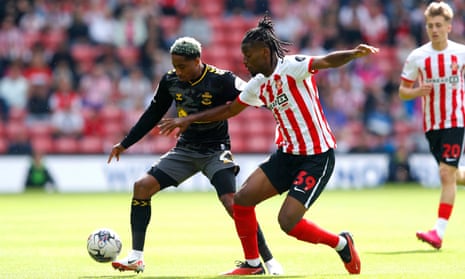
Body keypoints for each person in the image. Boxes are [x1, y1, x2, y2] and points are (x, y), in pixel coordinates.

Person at [159, 14, 378, 275]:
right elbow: (230, 110)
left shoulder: (293, 66)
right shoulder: (257, 85)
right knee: (241, 200)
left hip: (316, 156)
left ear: (264, 52)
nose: (245, 62)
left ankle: (342, 243)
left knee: (287, 222)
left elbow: (326, 60)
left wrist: (353, 54)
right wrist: (190, 119)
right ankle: (253, 264)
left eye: (248, 56)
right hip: (286, 155)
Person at [107, 37, 283, 275]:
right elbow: (153, 113)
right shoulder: (170, 81)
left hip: (216, 149)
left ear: (197, 60)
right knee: (142, 187)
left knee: (234, 203)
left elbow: (255, 97)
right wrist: (125, 143)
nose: (177, 72)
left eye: (182, 66)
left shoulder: (222, 79)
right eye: (175, 66)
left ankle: (268, 262)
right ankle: (136, 258)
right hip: (186, 150)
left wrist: (280, 105)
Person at [398, 1, 465, 250]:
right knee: (455, 175)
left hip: (455, 120)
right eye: (430, 25)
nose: (434, 29)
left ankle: (438, 232)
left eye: (438, 25)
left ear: (449, 26)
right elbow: (402, 91)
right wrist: (416, 91)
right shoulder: (417, 56)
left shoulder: (460, 53)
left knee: (445, 174)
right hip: (431, 124)